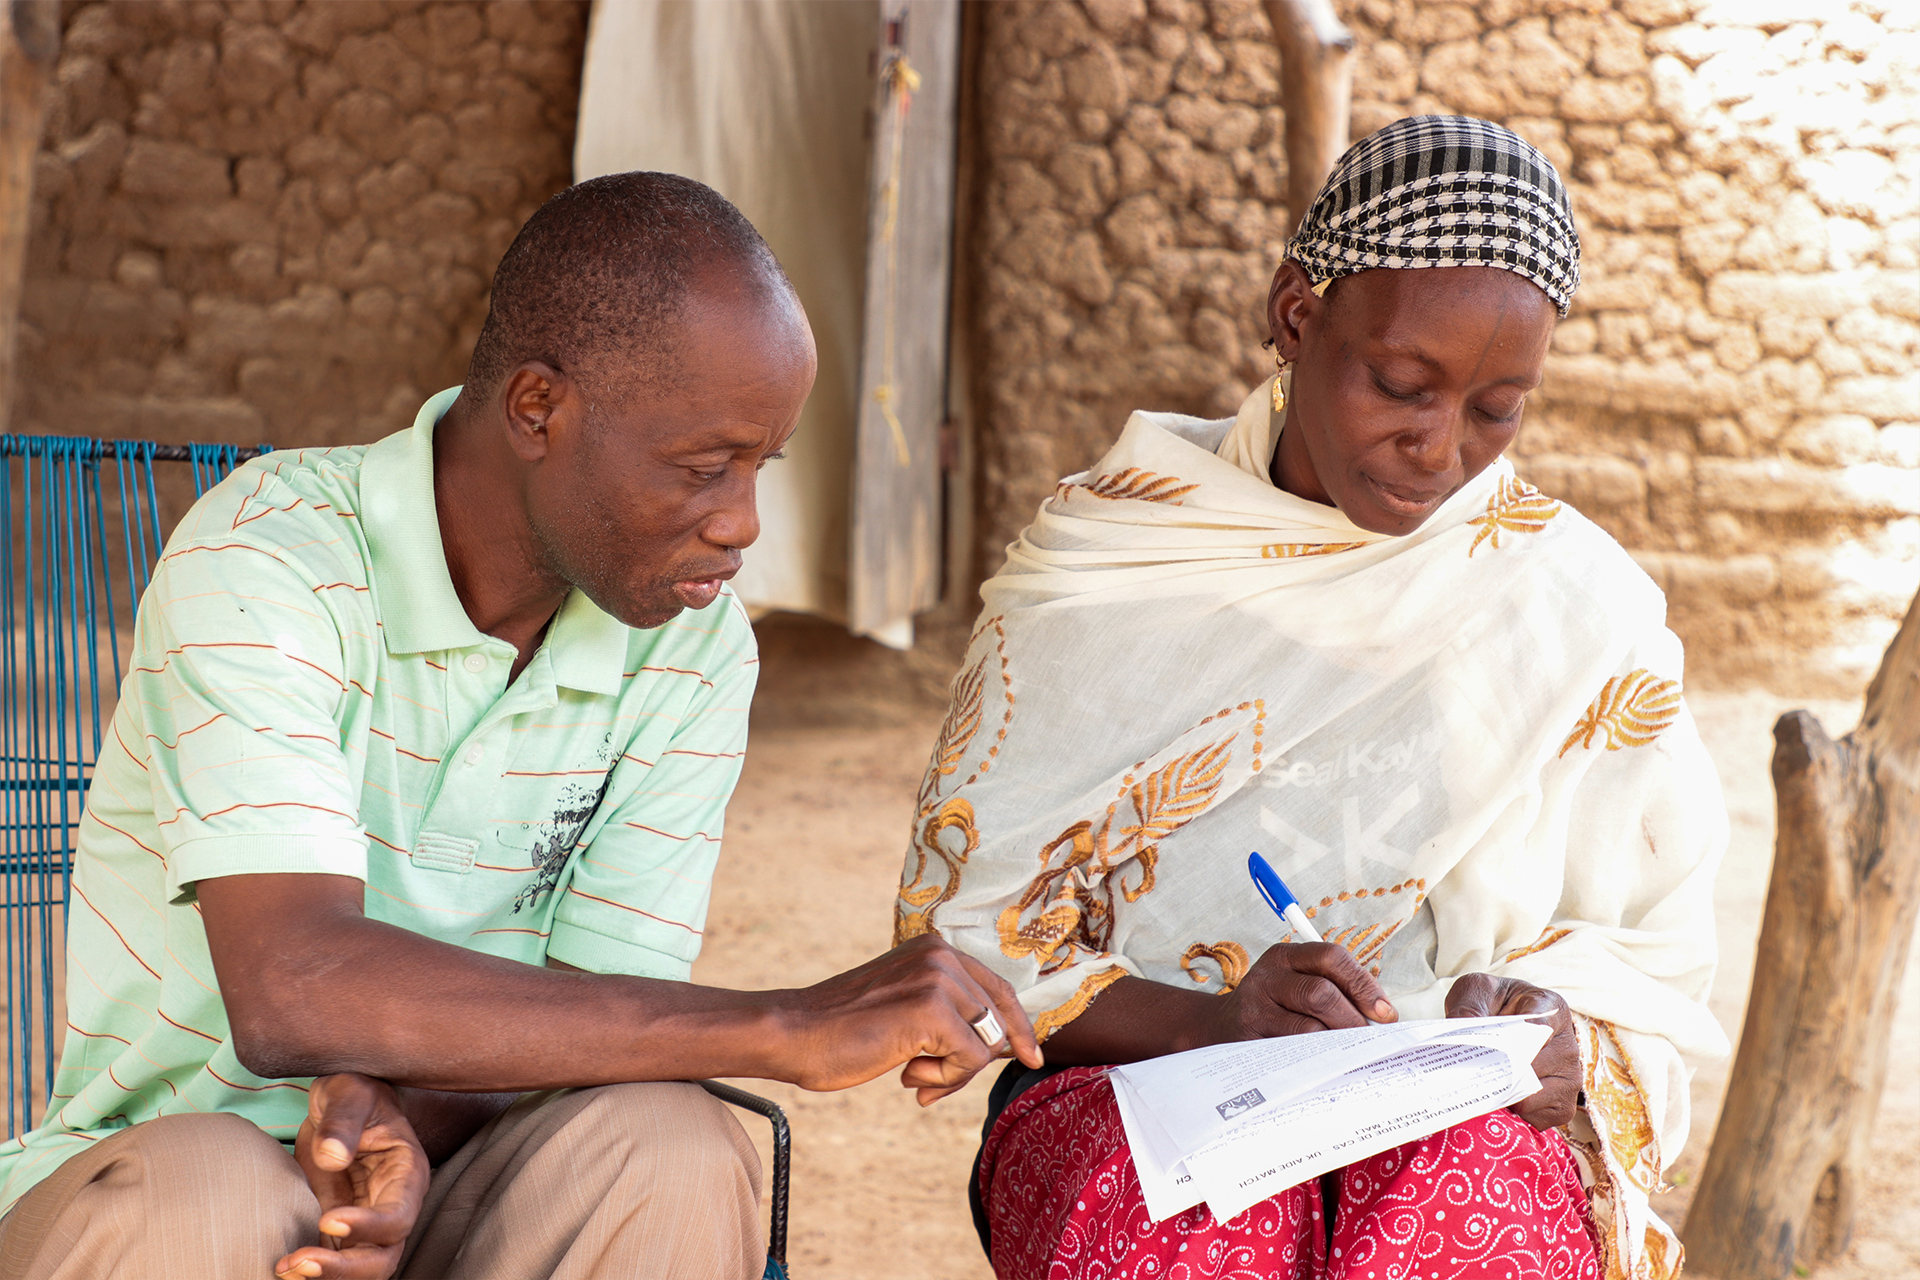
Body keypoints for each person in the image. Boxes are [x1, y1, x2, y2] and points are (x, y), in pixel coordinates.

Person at [0, 172, 1040, 1280]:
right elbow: (291, 985)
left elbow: (602, 1016)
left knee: (671, 1146)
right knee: (217, 1194)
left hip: (457, 1174)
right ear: (539, 409)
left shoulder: (688, 644)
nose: (741, 521)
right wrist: (786, 1023)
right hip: (152, 1192)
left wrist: (398, 1119)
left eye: (758, 465)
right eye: (702, 467)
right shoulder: (267, 558)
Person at [895, 116, 1727, 1280]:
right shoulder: (1115, 566)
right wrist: (1212, 1021)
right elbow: (972, 946)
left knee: (1470, 1199)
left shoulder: (1567, 606)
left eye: (1497, 408)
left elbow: (1649, 940)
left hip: (1445, 1108)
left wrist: (1558, 1030)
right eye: (1400, 383)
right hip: (1135, 1083)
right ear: (1295, 316)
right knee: (1184, 1229)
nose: (1437, 447)